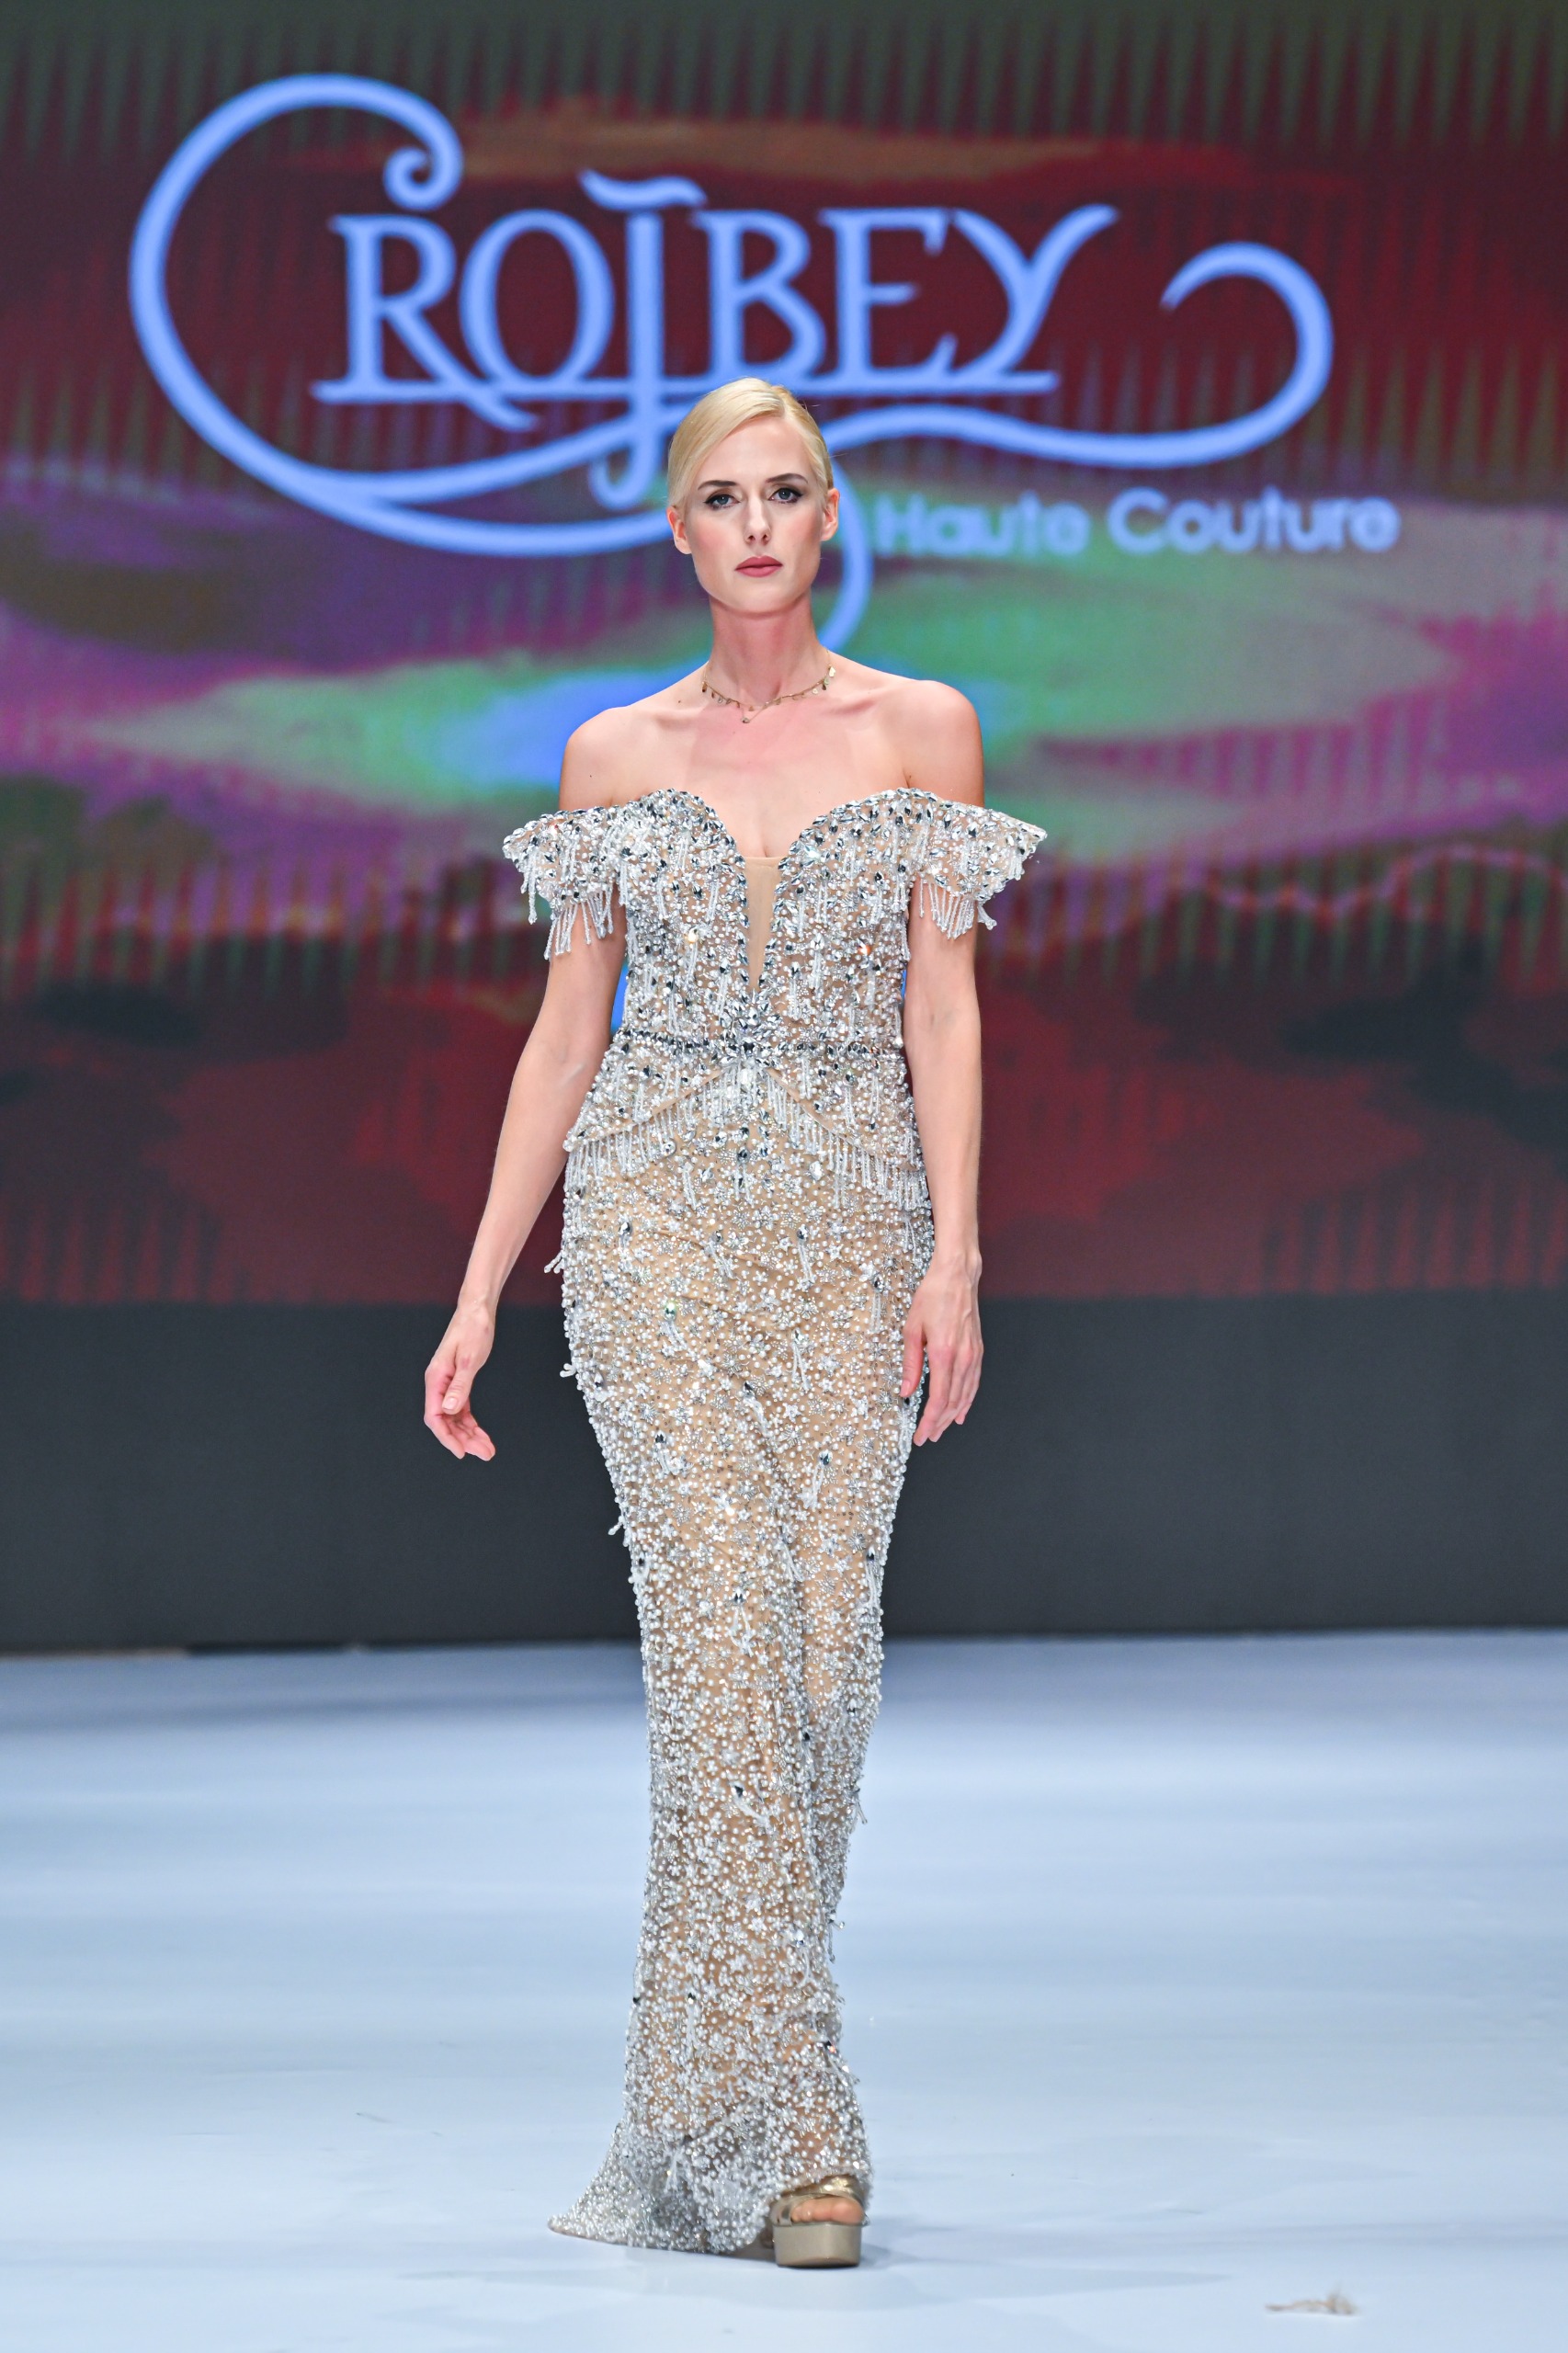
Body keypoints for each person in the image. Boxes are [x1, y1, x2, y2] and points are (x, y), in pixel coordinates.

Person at [423, 378, 1044, 2268]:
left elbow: (943, 1009)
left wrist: (957, 1255)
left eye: (785, 490)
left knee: (820, 1664)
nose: (756, 523)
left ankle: (716, 2105)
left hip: (857, 1226)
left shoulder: (920, 728)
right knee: (717, 1658)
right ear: (677, 530)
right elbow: (565, 1034)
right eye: (722, 496)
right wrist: (479, 1288)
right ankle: (804, 2138)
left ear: (828, 515)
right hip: (656, 1230)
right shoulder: (611, 754)